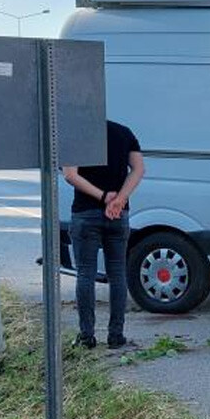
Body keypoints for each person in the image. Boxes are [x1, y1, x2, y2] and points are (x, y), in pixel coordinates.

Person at [63, 120, 145, 350]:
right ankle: (116, 335)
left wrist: (103, 196)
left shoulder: (77, 131)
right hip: (118, 215)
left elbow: (70, 175)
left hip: (85, 213)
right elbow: (139, 169)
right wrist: (120, 199)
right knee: (117, 273)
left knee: (85, 274)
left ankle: (87, 336)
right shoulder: (123, 132)